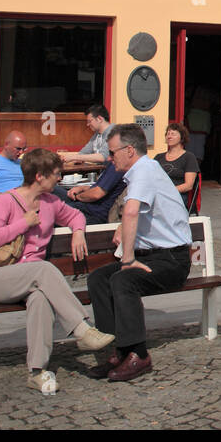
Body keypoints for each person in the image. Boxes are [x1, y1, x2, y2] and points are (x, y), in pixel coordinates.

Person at [0, 148, 115, 393]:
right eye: (56, 174)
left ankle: (37, 372)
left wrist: (78, 233)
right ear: (39, 176)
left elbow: (75, 216)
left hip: (32, 281)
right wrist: (22, 224)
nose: (59, 179)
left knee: (40, 298)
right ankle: (82, 328)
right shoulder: (7, 201)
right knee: (43, 269)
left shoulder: (50, 202)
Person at [86, 124, 193, 383]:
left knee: (124, 279)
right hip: (153, 255)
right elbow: (136, 212)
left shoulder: (144, 170)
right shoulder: (142, 171)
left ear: (129, 150)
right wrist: (124, 232)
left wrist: (128, 260)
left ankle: (138, 354)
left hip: (172, 260)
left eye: (113, 153)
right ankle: (118, 349)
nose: (110, 159)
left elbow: (131, 211)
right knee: (98, 279)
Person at [63, 160, 128, 225]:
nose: (108, 158)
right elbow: (101, 187)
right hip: (88, 207)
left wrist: (77, 196)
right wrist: (82, 188)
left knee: (55, 207)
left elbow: (96, 194)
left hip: (92, 213)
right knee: (56, 193)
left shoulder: (119, 165)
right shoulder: (117, 164)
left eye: (112, 153)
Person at [155, 122, 199, 203]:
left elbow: (188, 185)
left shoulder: (189, 157)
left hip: (177, 196)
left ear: (181, 137)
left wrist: (166, 192)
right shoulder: (158, 157)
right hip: (158, 194)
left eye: (173, 134)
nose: (169, 136)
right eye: (168, 134)